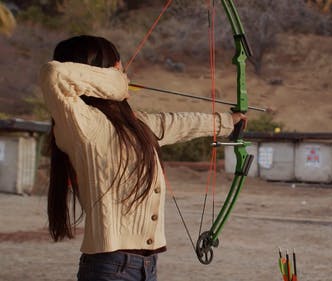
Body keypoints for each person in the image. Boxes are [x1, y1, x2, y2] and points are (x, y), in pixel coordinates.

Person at [39, 35, 245, 281]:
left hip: (146, 267)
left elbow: (174, 123)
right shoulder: (80, 124)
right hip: (109, 269)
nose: (123, 74)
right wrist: (116, 81)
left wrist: (227, 123)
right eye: (118, 68)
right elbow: (53, 74)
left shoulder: (134, 125)